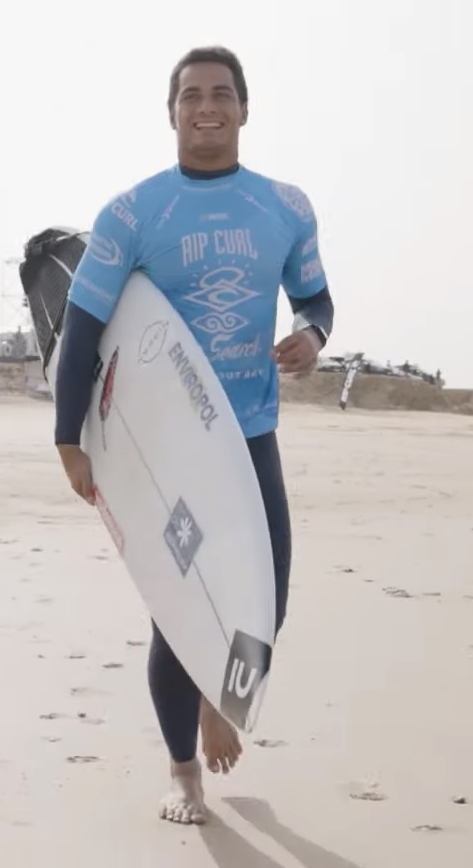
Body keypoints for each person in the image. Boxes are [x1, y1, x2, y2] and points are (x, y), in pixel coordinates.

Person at [52, 46, 333, 826]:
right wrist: (69, 437)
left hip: (249, 431)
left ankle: (221, 695)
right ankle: (183, 772)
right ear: (171, 111)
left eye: (220, 95)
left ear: (244, 109)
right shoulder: (135, 213)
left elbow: (316, 300)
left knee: (265, 596)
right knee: (176, 611)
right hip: (162, 445)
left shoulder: (285, 207)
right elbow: (82, 329)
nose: (206, 107)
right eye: (190, 96)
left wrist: (312, 337)